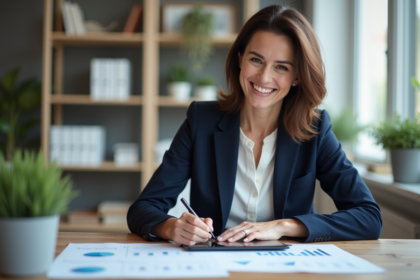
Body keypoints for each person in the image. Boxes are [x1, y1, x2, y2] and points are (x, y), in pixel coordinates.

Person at [127, 5, 382, 246]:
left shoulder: (315, 130)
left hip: (288, 267)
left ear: (296, 77)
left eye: (281, 67)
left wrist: (283, 226)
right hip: (213, 263)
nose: (264, 77)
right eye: (256, 60)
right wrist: (171, 227)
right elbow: (143, 208)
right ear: (240, 58)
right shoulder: (201, 122)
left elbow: (369, 217)